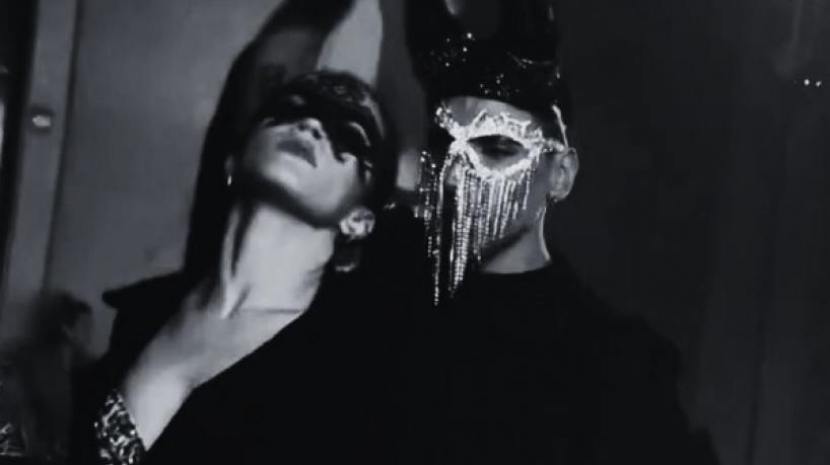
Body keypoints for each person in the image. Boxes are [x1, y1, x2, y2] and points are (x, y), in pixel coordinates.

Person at [397, 0, 719, 463]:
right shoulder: (382, 301)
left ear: (561, 175)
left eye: (495, 148)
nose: (454, 174)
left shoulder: (611, 364)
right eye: (443, 147)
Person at [69, 69, 399, 465]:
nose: (310, 125)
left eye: (347, 135)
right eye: (291, 109)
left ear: (359, 220)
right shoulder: (144, 312)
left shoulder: (352, 369)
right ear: (233, 161)